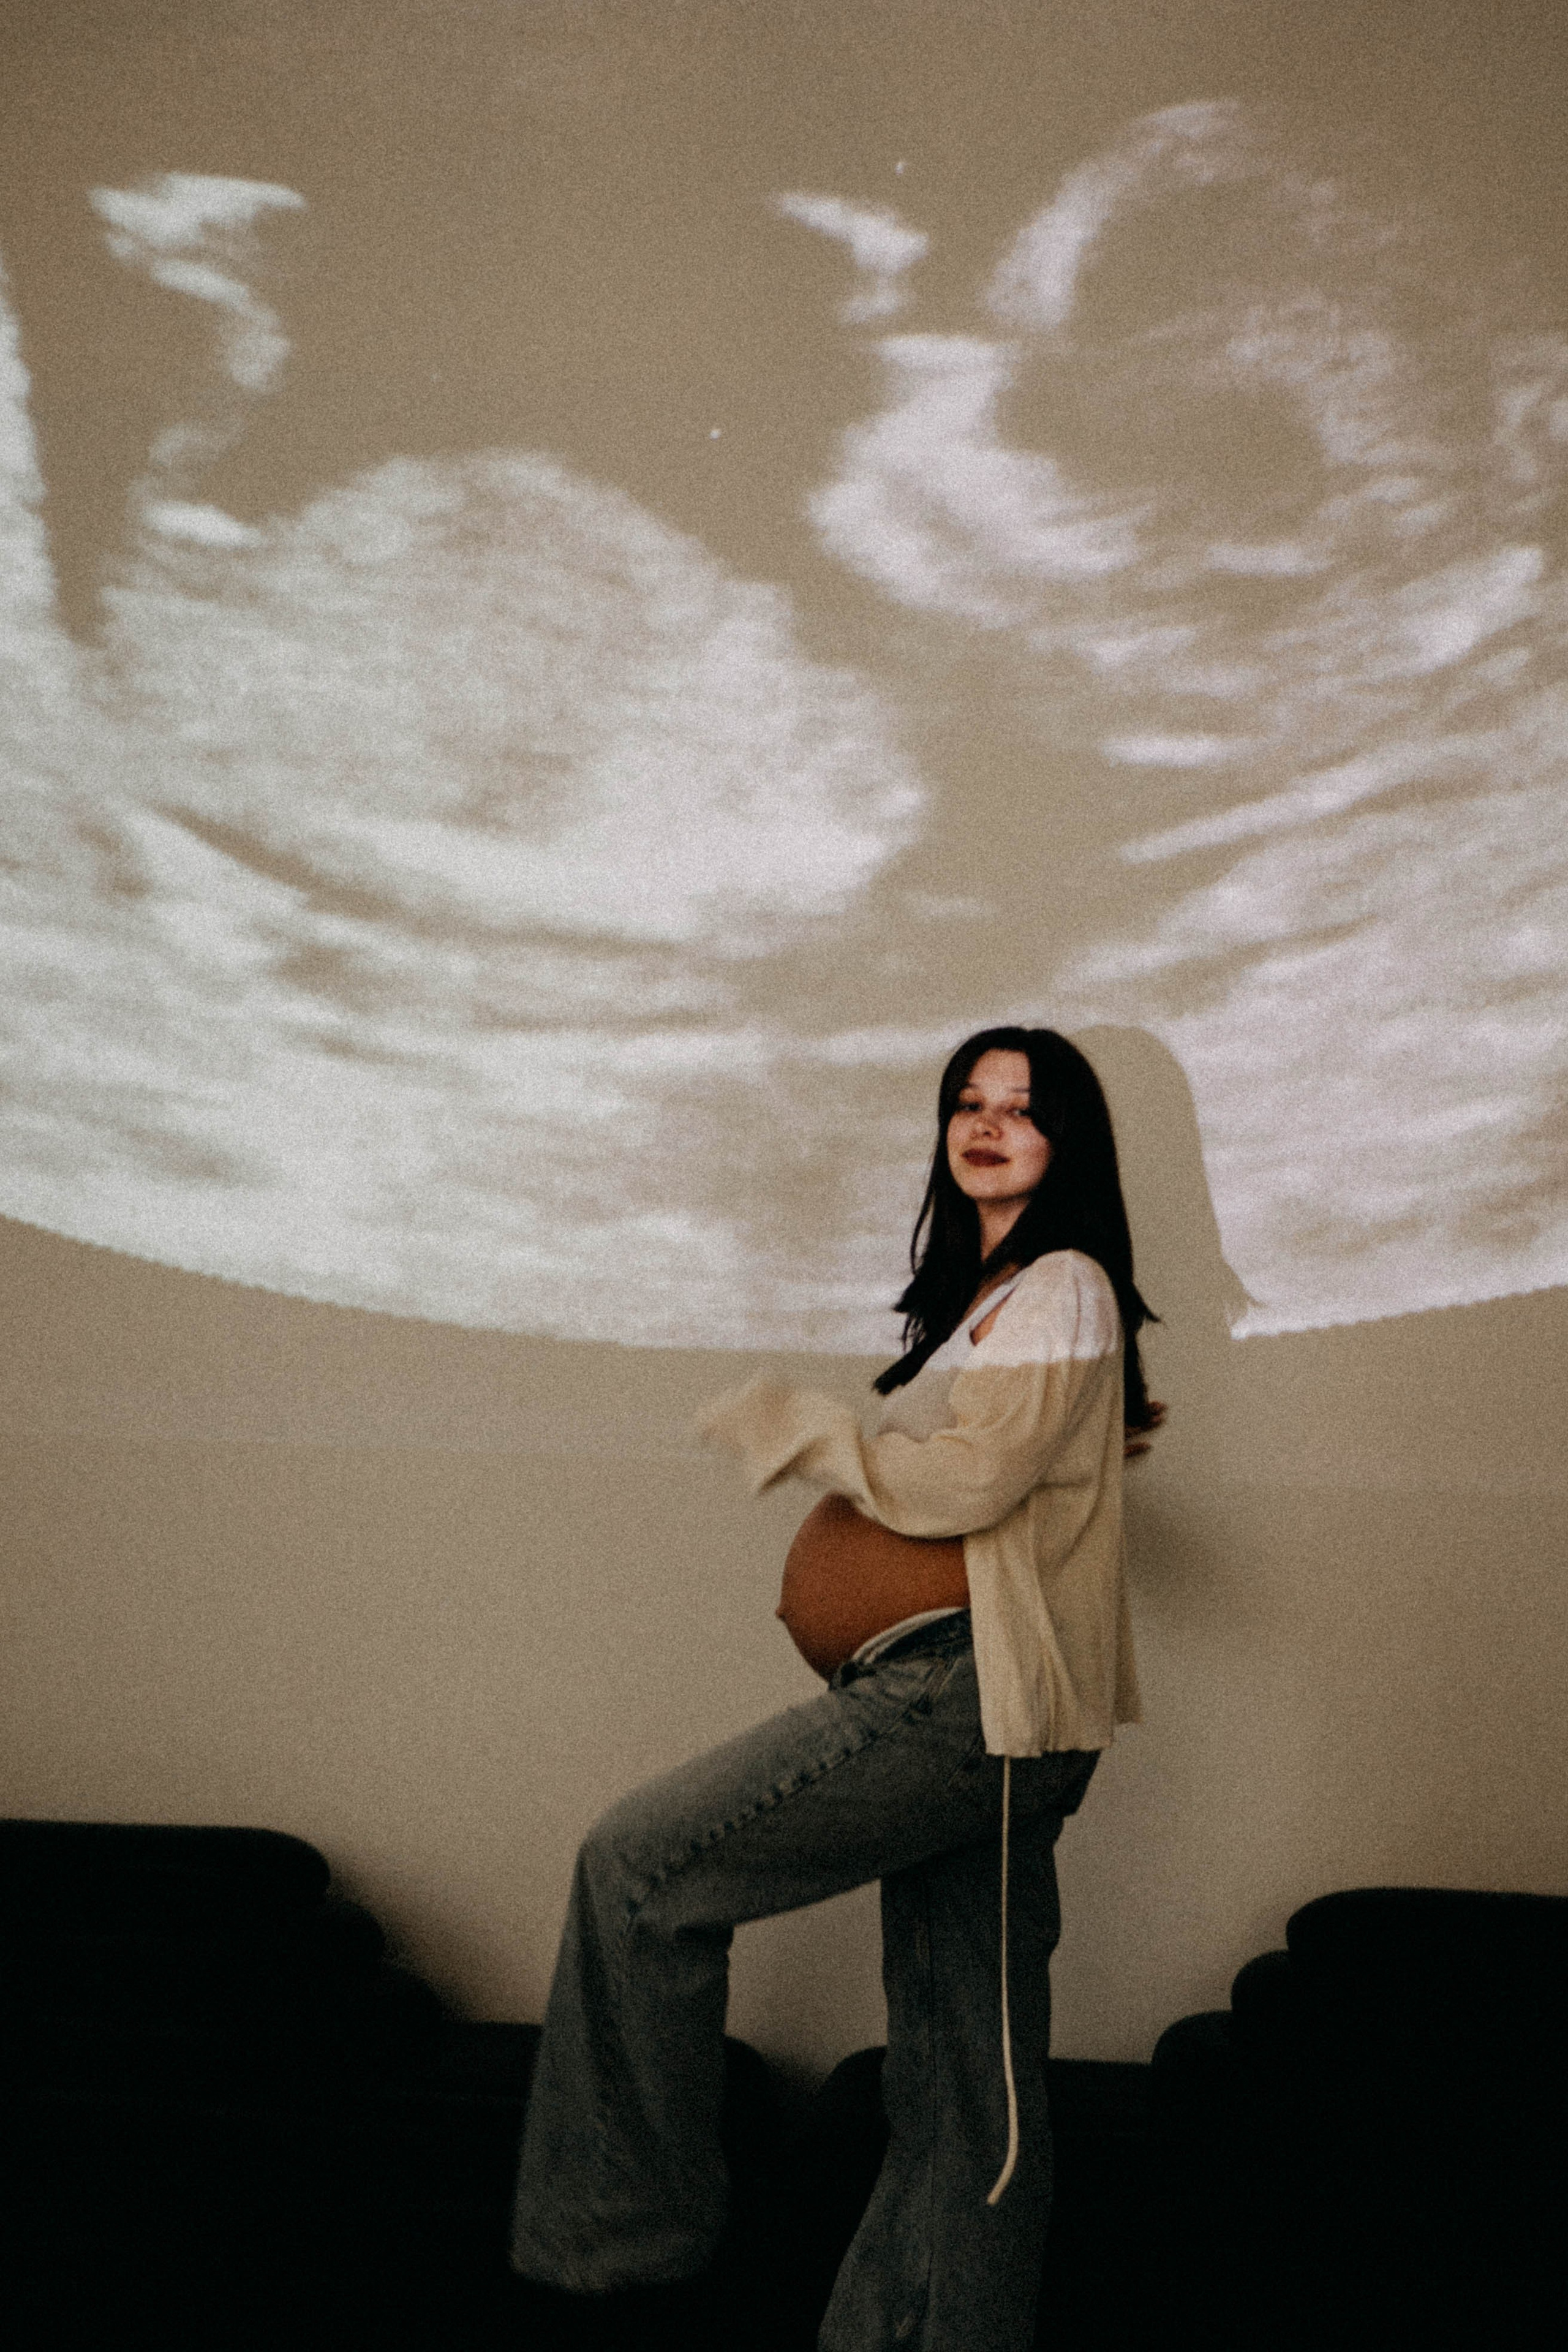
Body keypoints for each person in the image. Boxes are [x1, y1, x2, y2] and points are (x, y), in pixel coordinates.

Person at [509, 1025, 1161, 2351]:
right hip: (969, 1710)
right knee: (960, 2078)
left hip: (966, 1704)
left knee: (638, 1867)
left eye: (1020, 1110)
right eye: (964, 1103)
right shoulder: (994, 1299)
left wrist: (806, 1431)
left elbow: (970, 1485)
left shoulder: (1064, 1281)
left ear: (1067, 1142)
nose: (985, 1125)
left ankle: (613, 2255)